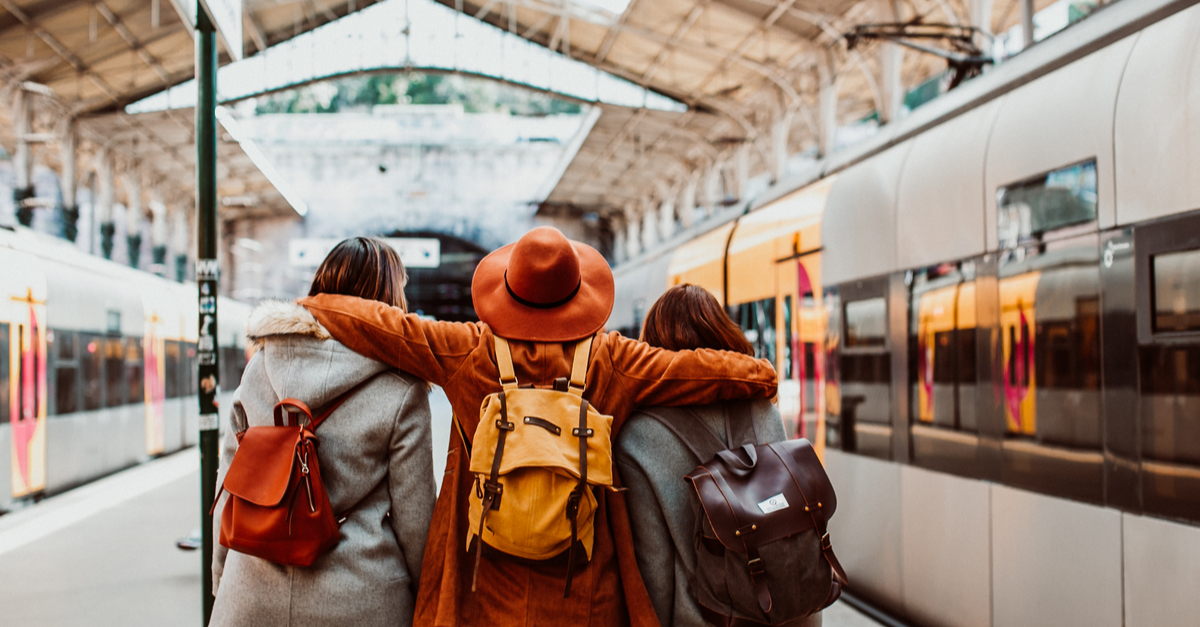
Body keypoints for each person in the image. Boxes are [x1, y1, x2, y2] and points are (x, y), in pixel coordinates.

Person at [298, 226, 779, 627]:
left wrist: (312, 305)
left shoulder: (468, 351)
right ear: (578, 293)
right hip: (585, 590)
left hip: (484, 589)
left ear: (507, 290)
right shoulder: (613, 359)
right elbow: (705, 369)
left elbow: (377, 322)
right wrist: (763, 374)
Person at [211, 238, 436, 627]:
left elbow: (231, 482)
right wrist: (426, 598)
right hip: (362, 599)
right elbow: (416, 520)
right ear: (390, 300)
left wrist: (222, 576)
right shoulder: (403, 387)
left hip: (251, 592)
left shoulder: (260, 365)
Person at [615, 284, 820, 627]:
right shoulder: (763, 410)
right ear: (725, 335)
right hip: (783, 614)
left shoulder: (637, 437)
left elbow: (656, 570)